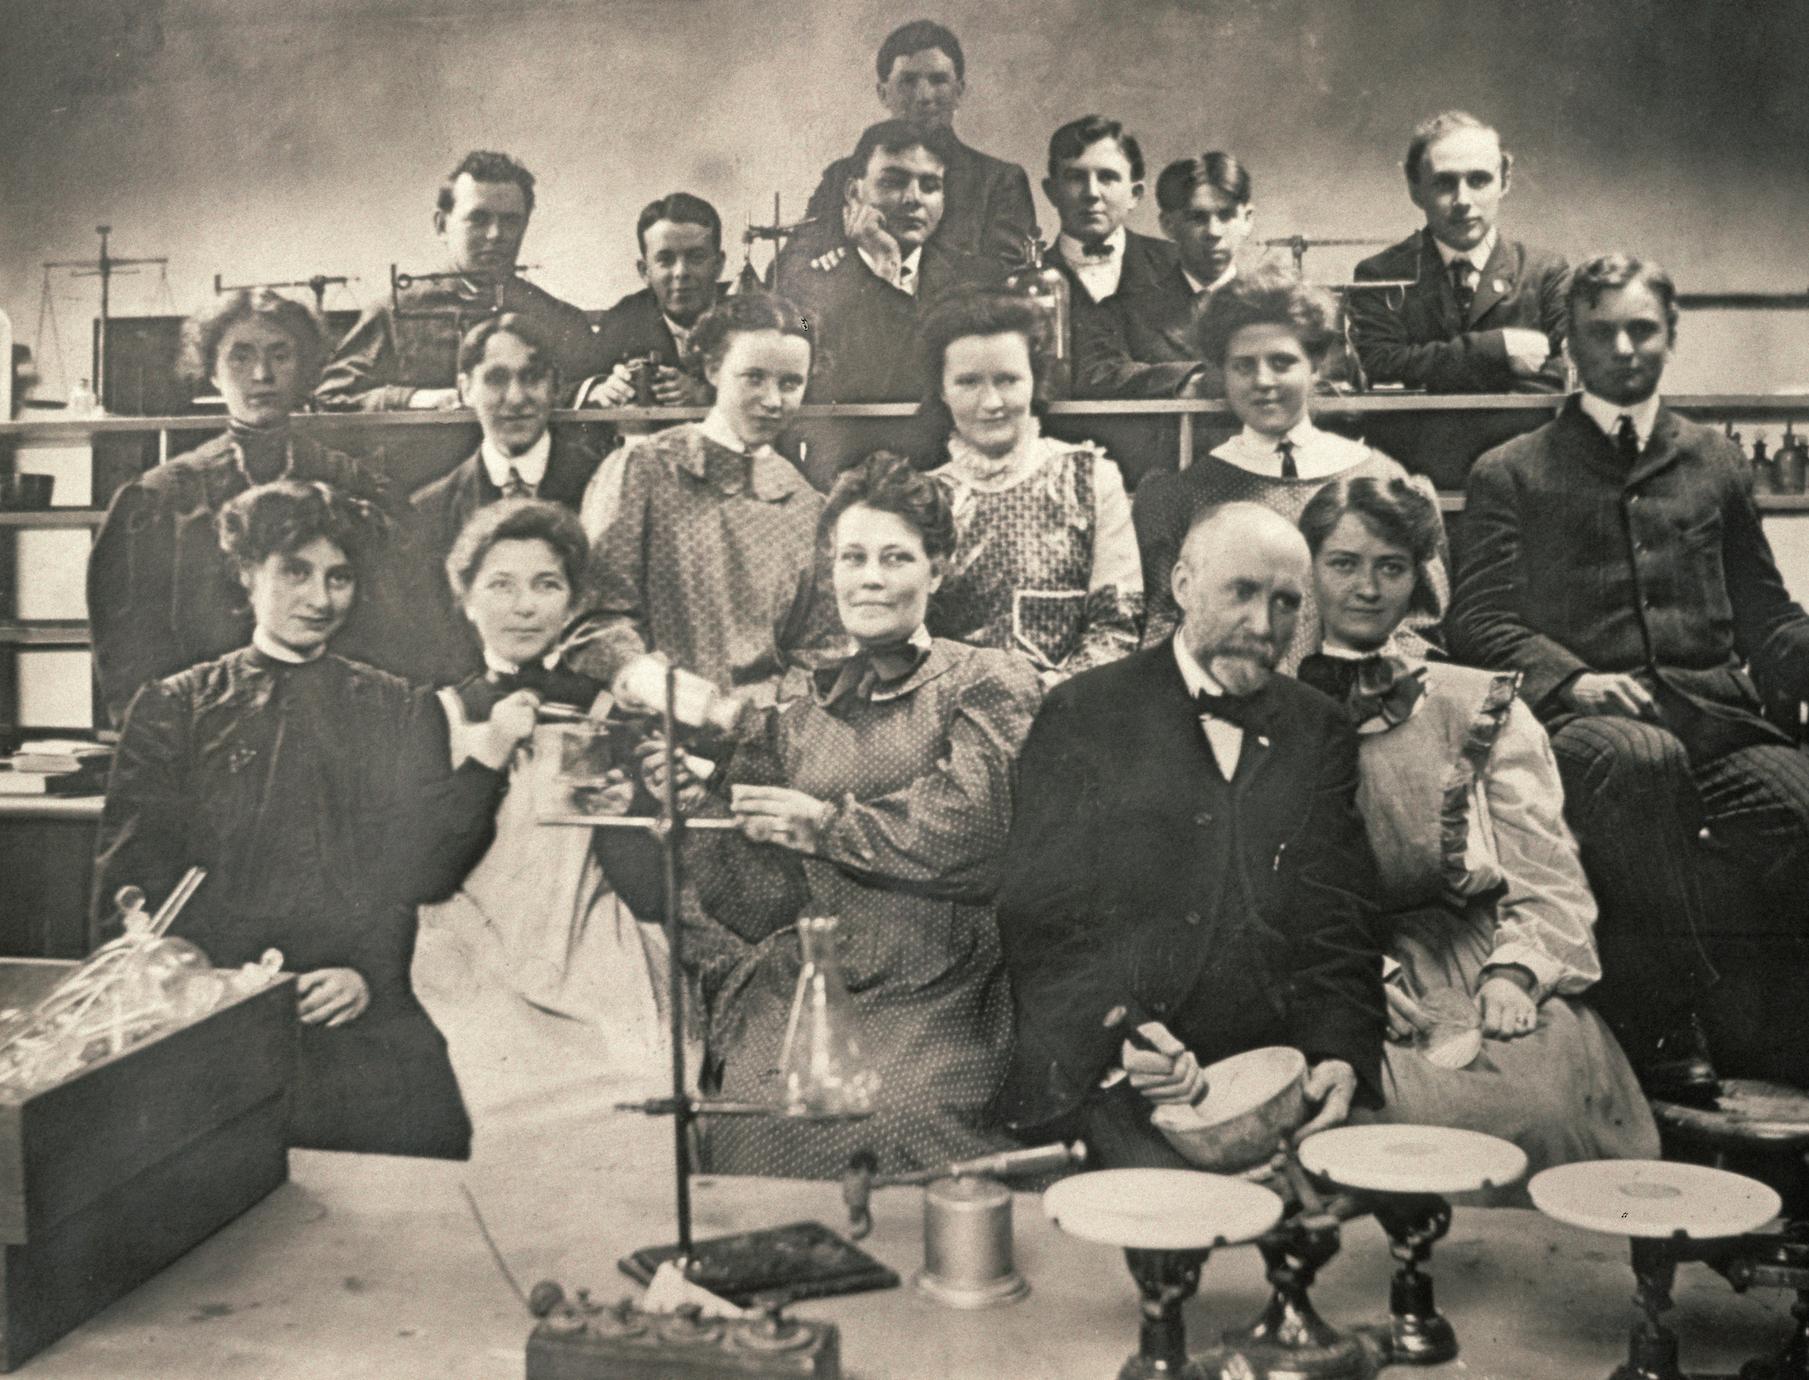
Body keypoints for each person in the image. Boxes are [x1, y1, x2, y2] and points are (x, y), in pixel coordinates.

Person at [1450, 252, 1809, 1097]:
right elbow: (1479, 622)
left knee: (1798, 803)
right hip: (1586, 733)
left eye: (1641, 328)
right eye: (1600, 330)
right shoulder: (1511, 469)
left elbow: (1765, 613)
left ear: (1670, 337)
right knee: (1639, 762)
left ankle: (1782, 1030)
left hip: (1716, 724)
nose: (1622, 347)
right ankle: (1662, 1016)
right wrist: (1571, 681)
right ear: (1569, 342)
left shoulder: (1713, 461)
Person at [93, 481, 532, 1159]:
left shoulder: (395, 707)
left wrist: (368, 976)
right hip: (208, 1022)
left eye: (339, 578)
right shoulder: (175, 709)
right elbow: (129, 890)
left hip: (352, 1012)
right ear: (246, 575)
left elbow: (413, 869)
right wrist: (207, 990)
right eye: (294, 572)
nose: (320, 599)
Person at [646, 453, 1042, 1176]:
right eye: (852, 557)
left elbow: (975, 830)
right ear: (829, 572)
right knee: (755, 1112)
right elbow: (759, 901)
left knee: (893, 1118)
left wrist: (824, 825)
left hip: (942, 980)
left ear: (938, 568)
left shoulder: (985, 681)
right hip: (818, 978)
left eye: (895, 558)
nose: (870, 577)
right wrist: (701, 805)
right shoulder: (797, 717)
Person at [992, 502, 1383, 1169]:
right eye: (1241, 593)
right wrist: (1126, 1033)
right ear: (1181, 585)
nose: (1263, 628)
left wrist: (1338, 1054)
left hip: (1275, 1063)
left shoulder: (1317, 728)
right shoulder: (1081, 713)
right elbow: (1040, 922)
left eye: (1287, 604)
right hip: (1115, 1063)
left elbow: (1338, 917)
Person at [1296, 475, 1658, 1186]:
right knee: (1381, 1119)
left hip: (1474, 957)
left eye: (1390, 567)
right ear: (1308, 570)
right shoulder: (1270, 710)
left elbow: (1547, 875)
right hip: (1338, 967)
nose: (1366, 588)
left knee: (1540, 1111)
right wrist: (1342, 975)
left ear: (1418, 578)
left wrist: (1515, 976)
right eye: (1343, 563)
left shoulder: (1478, 705)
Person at [413, 499, 691, 1086]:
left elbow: (649, 895)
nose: (523, 606)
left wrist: (625, 821)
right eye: (501, 586)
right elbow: (426, 873)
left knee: (643, 1075)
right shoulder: (442, 712)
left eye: (546, 585)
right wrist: (489, 755)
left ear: (571, 602)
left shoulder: (606, 708)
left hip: (590, 943)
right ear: (466, 600)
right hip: (475, 948)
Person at [86, 289, 405, 725]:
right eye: (240, 357)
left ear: (307, 369)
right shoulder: (163, 498)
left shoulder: (351, 484)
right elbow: (127, 651)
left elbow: (386, 631)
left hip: (330, 727)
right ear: (212, 372)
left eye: (281, 355)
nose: (262, 374)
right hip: (200, 732)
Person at [1133, 267, 1448, 668]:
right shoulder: (1181, 496)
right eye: (1243, 366)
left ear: (1315, 364)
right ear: (1221, 373)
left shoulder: (1385, 478)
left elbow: (1421, 627)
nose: (1263, 380)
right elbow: (1165, 633)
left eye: (1282, 362)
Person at [571, 293, 845, 705]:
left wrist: (768, 710)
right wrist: (651, 684)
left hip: (765, 740)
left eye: (790, 384)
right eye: (754, 377)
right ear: (714, 369)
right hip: (650, 732)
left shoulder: (810, 506)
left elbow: (823, 648)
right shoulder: (642, 470)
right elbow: (593, 615)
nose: (773, 401)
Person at [920, 293, 1141, 683]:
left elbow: (1116, 626)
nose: (991, 403)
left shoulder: (1089, 477)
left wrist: (1047, 700)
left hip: (1067, 716)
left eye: (1007, 380)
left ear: (1035, 380)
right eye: (968, 382)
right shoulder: (923, 497)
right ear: (941, 390)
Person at [315, 150, 596, 411]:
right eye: (479, 219)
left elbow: (587, 396)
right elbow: (331, 397)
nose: (495, 234)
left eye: (510, 221)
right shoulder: (394, 313)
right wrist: (415, 398)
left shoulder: (559, 320)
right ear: (441, 225)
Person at [406, 315, 602, 683]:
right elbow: (429, 645)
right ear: (465, 389)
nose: (515, 398)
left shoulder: (603, 486)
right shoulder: (428, 510)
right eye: (496, 379)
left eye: (532, 378)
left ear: (556, 386)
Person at [778, 120, 1000, 404]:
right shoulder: (808, 289)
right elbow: (820, 379)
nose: (913, 199)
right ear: (853, 192)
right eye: (893, 182)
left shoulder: (974, 282)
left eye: (930, 186)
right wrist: (884, 268)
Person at [1349, 112, 1568, 395]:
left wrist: (1428, 368)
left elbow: (1569, 373)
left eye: (1478, 180)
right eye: (1444, 183)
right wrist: (1497, 348)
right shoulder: (1379, 276)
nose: (1462, 201)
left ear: (1505, 180)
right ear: (1415, 187)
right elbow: (1376, 367)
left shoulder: (1546, 273)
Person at [799, 20, 1036, 269]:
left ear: (959, 91)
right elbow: (791, 269)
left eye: (938, 80)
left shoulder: (998, 182)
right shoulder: (842, 176)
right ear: (883, 93)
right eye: (908, 81)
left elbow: (1008, 282)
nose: (924, 96)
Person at [1040, 114, 1185, 485]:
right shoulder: (1024, 280)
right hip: (1058, 477)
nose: (1092, 192)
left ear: (1135, 193)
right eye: (1075, 177)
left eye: (1107, 176)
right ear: (1051, 191)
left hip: (1167, 474)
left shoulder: (1178, 266)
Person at [1073, 152, 1253, 401]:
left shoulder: (1278, 308)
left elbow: (1323, 381)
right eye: (1197, 218)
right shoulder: (1122, 314)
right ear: (1168, 225)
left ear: (1247, 219)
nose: (1214, 232)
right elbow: (1097, 373)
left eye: (1226, 215)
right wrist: (1191, 382)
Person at [574, 192, 727, 410]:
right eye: (665, 260)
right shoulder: (625, 318)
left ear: (718, 265)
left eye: (696, 258)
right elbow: (572, 383)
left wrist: (708, 394)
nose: (681, 272)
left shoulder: (755, 312)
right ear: (645, 271)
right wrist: (601, 389)